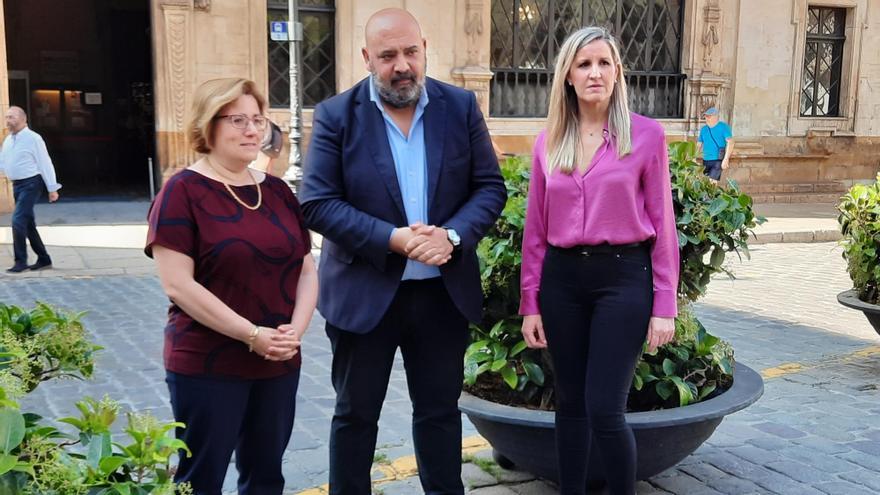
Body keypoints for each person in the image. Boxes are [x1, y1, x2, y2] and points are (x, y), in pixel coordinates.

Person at [300, 8, 506, 495]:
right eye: (388, 55)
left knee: (438, 414)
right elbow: (317, 203)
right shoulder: (336, 116)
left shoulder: (460, 107)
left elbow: (489, 188)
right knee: (355, 417)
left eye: (410, 52)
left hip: (441, 296)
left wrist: (450, 236)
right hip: (365, 295)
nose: (402, 65)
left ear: (425, 48)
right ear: (367, 57)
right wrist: (392, 238)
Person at [519, 27, 679, 495]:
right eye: (584, 64)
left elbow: (663, 223)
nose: (595, 73)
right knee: (569, 405)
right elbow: (535, 229)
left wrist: (664, 303)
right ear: (567, 75)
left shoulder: (647, 136)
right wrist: (530, 301)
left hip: (623, 279)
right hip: (562, 281)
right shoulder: (549, 141)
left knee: (605, 409)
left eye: (604, 63)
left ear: (617, 72)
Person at [145, 78, 318, 494]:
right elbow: (178, 285)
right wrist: (252, 335)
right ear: (209, 125)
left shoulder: (276, 191)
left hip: (277, 360)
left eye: (258, 120)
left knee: (266, 477)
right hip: (208, 364)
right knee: (201, 480)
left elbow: (307, 267)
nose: (252, 130)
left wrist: (295, 331)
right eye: (237, 119)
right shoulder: (181, 191)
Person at [0, 106, 60, 273]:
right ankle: (44, 259)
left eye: (11, 117)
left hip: (31, 184)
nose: (7, 121)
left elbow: (45, 163)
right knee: (28, 224)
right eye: (6, 117)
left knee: (17, 220)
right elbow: (3, 162)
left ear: (22, 119)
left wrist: (52, 188)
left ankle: (20, 261)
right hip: (17, 185)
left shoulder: (33, 138)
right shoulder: (9, 139)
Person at [697, 106, 733, 181]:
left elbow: (731, 142)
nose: (706, 118)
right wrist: (693, 157)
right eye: (705, 116)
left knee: (712, 181)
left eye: (709, 116)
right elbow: (699, 144)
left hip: (718, 159)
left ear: (715, 117)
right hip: (706, 159)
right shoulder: (704, 129)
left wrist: (726, 159)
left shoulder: (723, 127)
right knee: (706, 182)